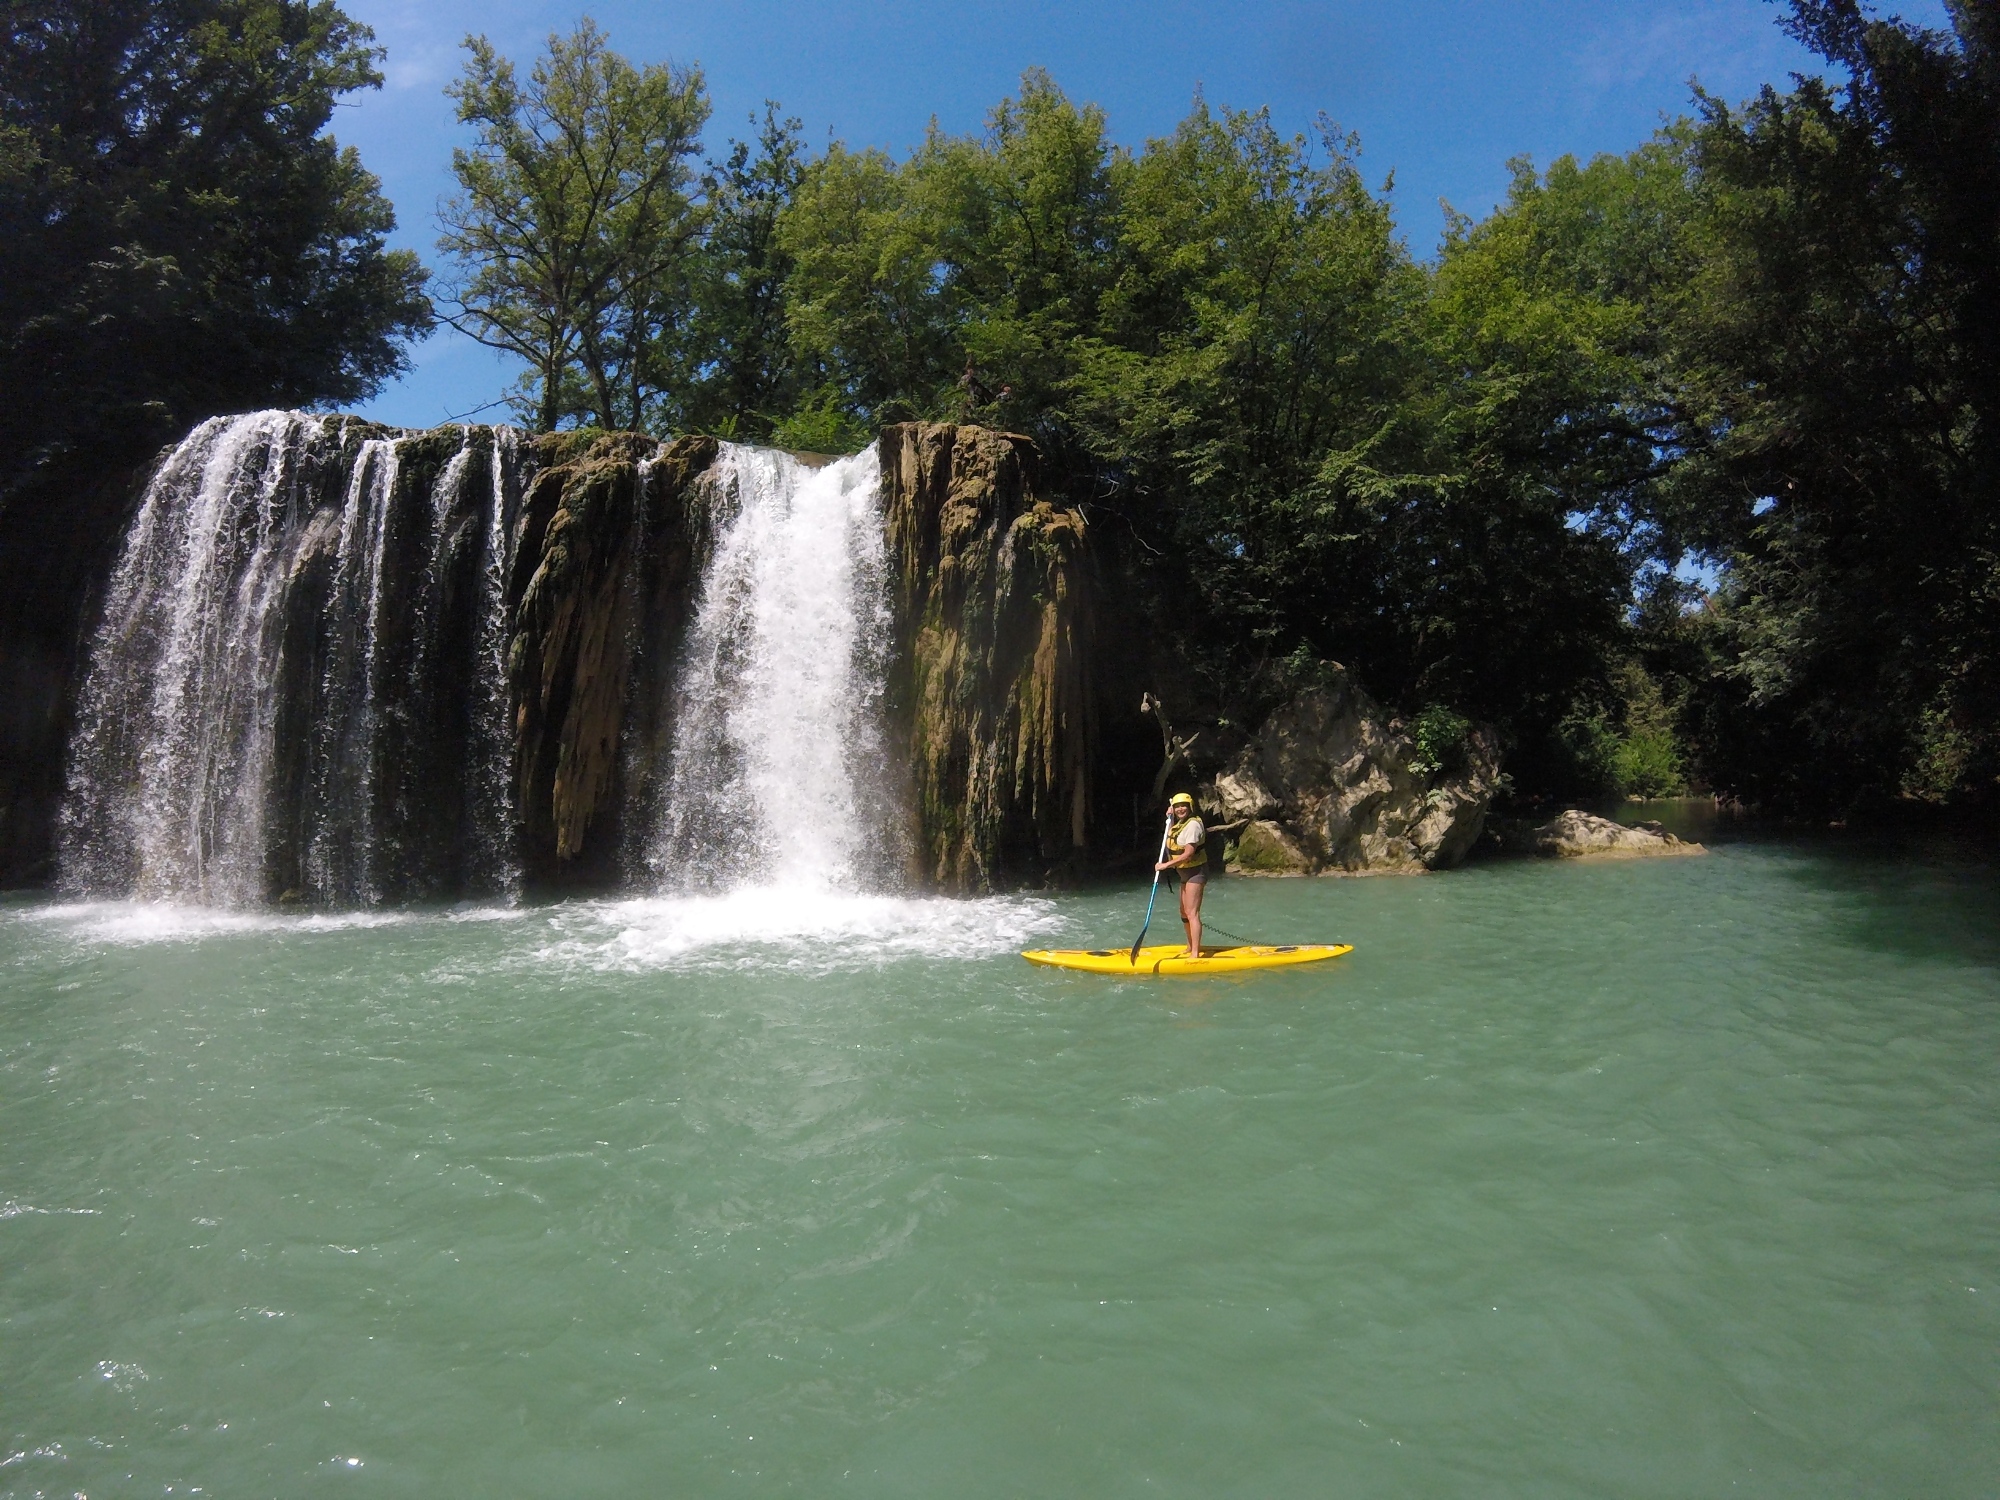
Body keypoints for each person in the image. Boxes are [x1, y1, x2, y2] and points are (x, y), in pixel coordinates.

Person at [1155, 791, 1207, 958]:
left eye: (1183, 806)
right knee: (1183, 912)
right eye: (1177, 806)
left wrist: (1166, 865)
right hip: (1184, 873)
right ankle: (1190, 945)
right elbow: (1171, 838)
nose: (1180, 809)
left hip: (1195, 872)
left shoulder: (1192, 825)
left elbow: (1188, 854)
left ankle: (1195, 953)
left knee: (1192, 913)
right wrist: (1169, 819)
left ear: (1190, 807)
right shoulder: (1179, 824)